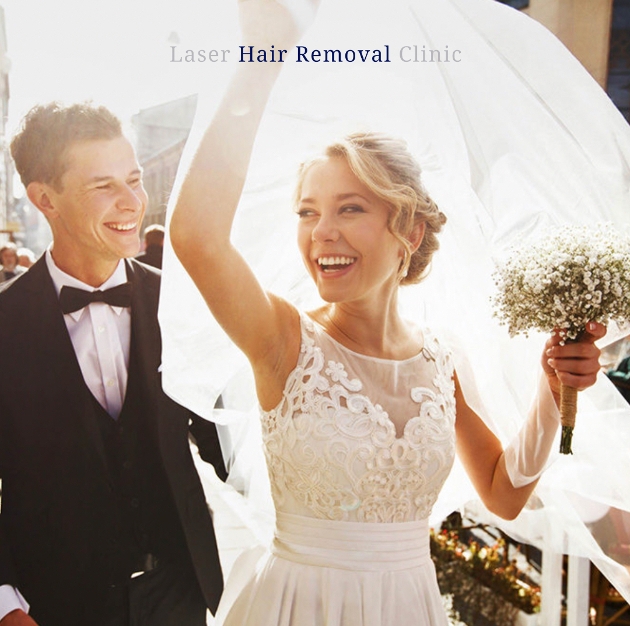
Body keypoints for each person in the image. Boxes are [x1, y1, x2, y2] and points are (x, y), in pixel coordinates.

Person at [168, 1, 605, 624]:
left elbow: (506, 494)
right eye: (307, 211)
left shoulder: (441, 360)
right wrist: (261, 55)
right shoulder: (283, 340)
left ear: (408, 226)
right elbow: (196, 236)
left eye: (349, 209)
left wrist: (551, 384)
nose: (321, 232)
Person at [0, 102, 227, 626]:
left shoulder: (180, 308)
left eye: (134, 179)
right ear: (44, 199)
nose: (133, 203)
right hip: (51, 604)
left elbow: (228, 444)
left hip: (179, 595)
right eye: (103, 186)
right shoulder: (4, 326)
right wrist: (6, 605)